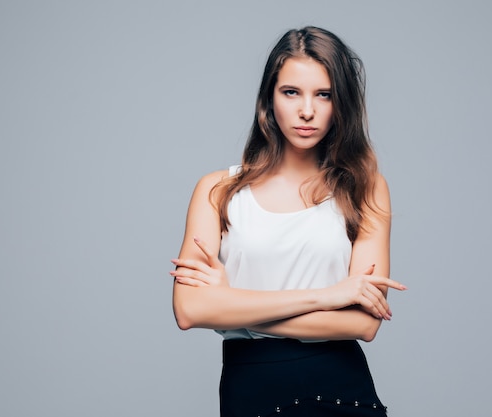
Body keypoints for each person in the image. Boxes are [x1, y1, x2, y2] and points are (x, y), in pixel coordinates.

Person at [170, 26, 406, 417]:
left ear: (340, 102)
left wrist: (232, 304)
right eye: (291, 92)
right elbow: (190, 312)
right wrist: (329, 296)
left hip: (342, 391)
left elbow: (364, 324)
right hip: (251, 390)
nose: (307, 110)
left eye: (324, 94)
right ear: (269, 98)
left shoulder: (365, 187)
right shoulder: (217, 191)